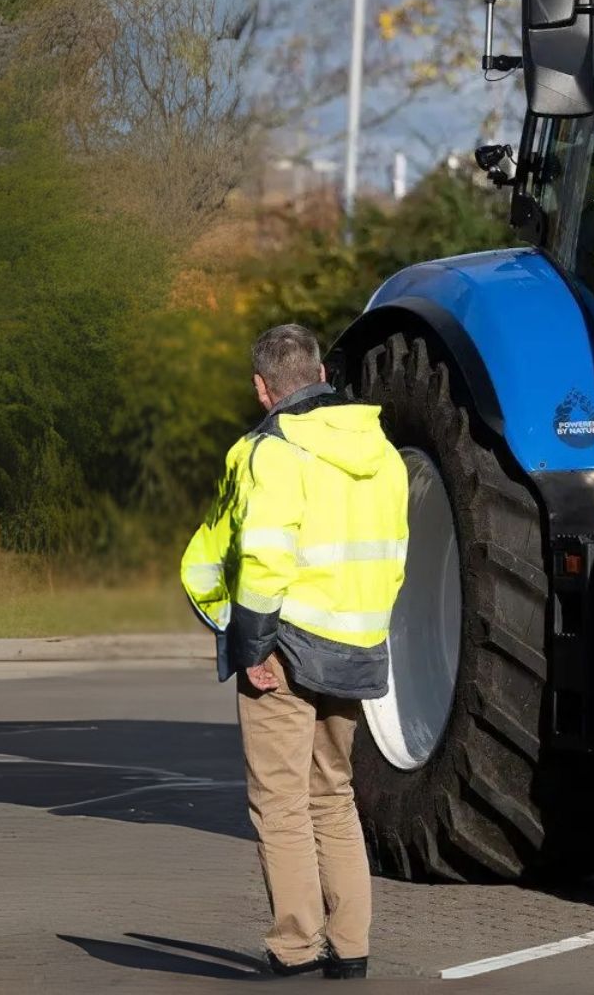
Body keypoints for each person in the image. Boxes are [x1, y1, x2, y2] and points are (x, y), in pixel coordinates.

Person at [179, 324, 408, 981]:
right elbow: (394, 559)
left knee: (279, 800)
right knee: (333, 795)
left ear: (262, 388)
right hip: (356, 646)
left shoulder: (271, 451)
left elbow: (263, 559)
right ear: (320, 372)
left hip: (284, 649)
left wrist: (252, 646)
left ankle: (296, 946)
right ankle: (352, 946)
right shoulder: (383, 450)